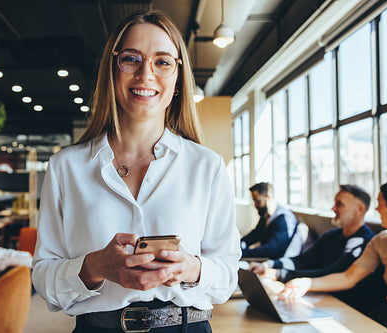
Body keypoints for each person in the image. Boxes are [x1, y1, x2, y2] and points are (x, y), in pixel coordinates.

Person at [32, 9, 240, 333]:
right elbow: (44, 278)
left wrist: (190, 268)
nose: (146, 75)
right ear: (112, 69)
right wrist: (95, 266)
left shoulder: (207, 166)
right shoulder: (65, 168)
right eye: (131, 59)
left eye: (162, 61)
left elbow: (227, 274)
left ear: (177, 78)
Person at [281, 180, 387, 329]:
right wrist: (307, 283)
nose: (377, 208)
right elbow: (348, 277)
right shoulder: (380, 241)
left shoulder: (363, 238)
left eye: (380, 203)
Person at [249, 185, 374, 282]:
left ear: (360, 209)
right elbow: (302, 261)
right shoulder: (331, 236)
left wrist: (278, 273)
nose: (333, 208)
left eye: (339, 204)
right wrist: (268, 265)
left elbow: (331, 274)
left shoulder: (364, 242)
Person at [241, 182, 300, 259]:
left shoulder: (283, 219)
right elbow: (255, 235)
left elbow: (271, 250)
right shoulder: (266, 216)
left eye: (258, 201)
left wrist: (243, 253)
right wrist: (238, 244)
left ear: (268, 198)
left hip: (285, 264)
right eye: (254, 201)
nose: (255, 205)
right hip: (272, 261)